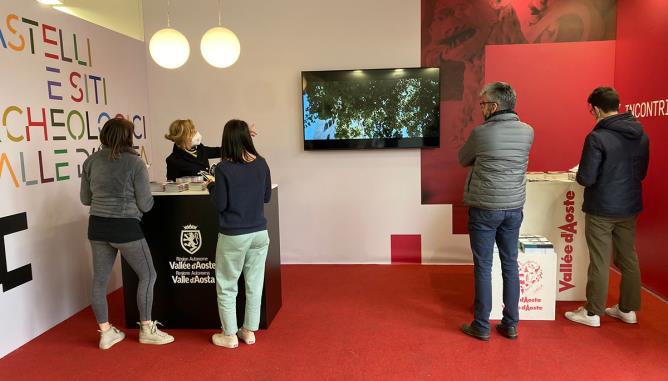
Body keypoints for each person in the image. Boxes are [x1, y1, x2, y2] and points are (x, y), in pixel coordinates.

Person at [80, 117, 174, 350]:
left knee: (99, 281)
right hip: (125, 227)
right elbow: (145, 204)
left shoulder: (91, 161)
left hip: (97, 226)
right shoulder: (135, 163)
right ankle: (146, 328)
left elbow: (85, 199)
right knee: (149, 275)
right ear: (128, 137)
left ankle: (105, 332)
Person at [565, 87, 650, 327]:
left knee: (600, 260)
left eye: (590, 109)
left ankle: (592, 313)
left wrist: (579, 174)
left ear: (597, 109)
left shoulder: (596, 137)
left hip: (601, 207)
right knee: (628, 258)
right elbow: (641, 172)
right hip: (629, 205)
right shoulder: (640, 133)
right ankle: (628, 309)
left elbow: (587, 178)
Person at [458, 82, 534, 341]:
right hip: (513, 207)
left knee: (483, 266)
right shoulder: (528, 132)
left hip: (484, 209)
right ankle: (510, 324)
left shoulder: (481, 133)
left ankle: (481, 325)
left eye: (482, 104)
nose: (480, 109)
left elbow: (462, 158)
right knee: (510, 264)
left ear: (493, 106)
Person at [207, 119, 272, 348]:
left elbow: (221, 204)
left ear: (226, 140)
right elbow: (266, 197)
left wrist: (211, 186)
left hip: (234, 235)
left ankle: (229, 335)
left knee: (227, 285)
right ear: (247, 138)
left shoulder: (223, 168)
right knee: (254, 284)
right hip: (259, 233)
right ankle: (249, 331)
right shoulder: (262, 163)